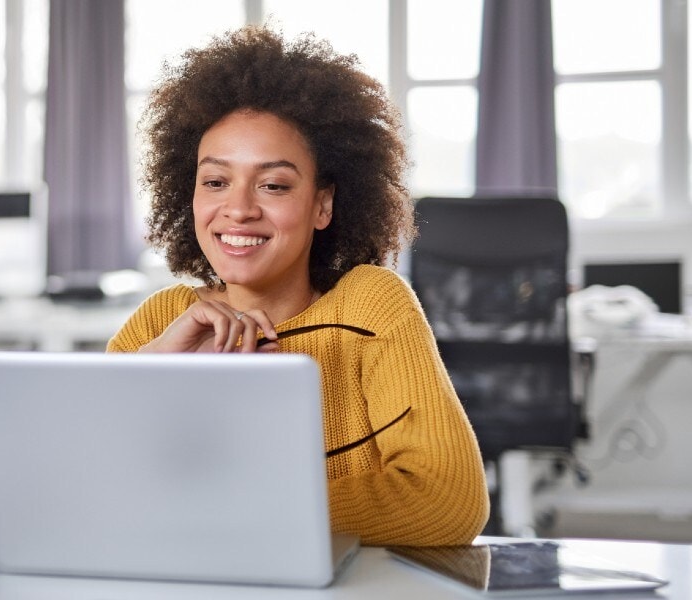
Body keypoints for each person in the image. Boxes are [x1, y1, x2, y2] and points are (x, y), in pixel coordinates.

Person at [107, 25, 489, 546]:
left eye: (273, 185)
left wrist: (224, 512)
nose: (238, 209)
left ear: (322, 205)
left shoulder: (372, 307)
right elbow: (89, 494)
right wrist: (149, 377)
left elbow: (446, 500)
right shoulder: (160, 323)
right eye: (215, 181)